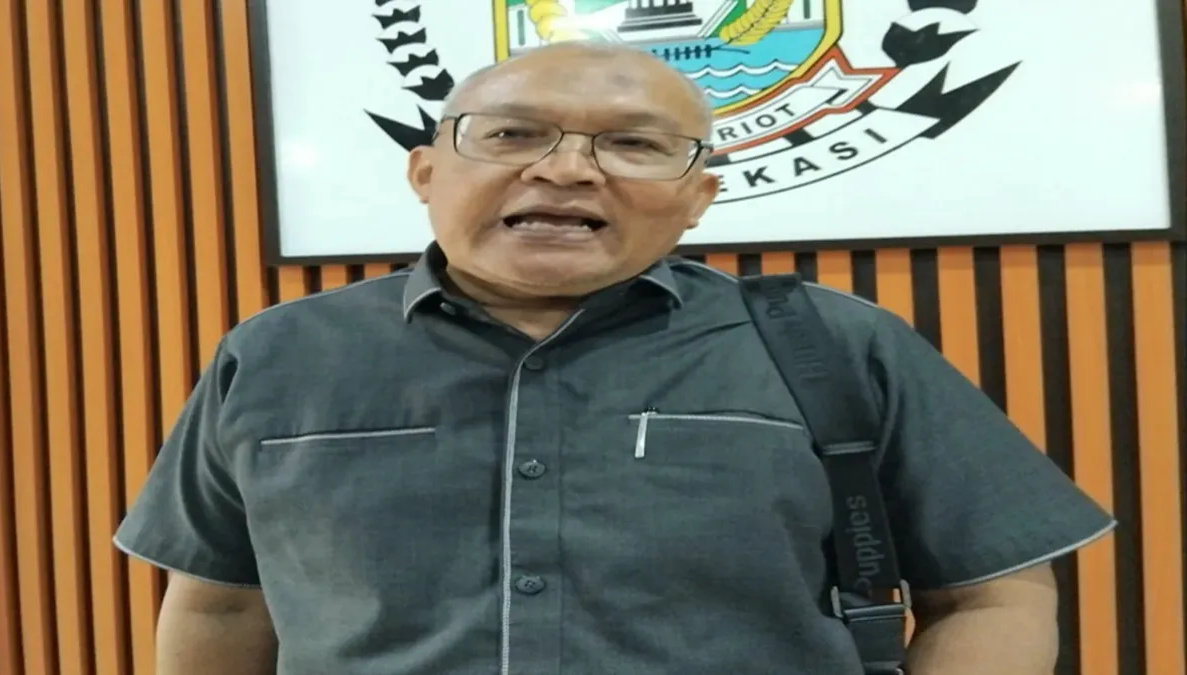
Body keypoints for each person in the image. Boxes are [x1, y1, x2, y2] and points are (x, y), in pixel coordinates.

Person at [115, 41, 1116, 675]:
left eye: (634, 146)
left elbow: (991, 592)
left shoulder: (833, 344)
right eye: (511, 134)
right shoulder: (279, 354)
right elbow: (221, 602)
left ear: (699, 197)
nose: (565, 169)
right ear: (425, 171)